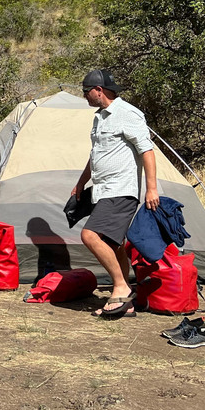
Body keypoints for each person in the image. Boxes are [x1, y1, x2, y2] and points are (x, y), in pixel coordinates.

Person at [71, 69, 159, 319]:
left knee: (90, 235)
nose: (85, 96)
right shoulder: (100, 118)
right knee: (113, 243)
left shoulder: (127, 114)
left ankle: (120, 287)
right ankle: (127, 303)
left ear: (99, 90)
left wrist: (151, 188)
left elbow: (147, 151)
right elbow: (95, 155)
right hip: (102, 189)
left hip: (121, 189)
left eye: (86, 91)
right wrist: (81, 183)